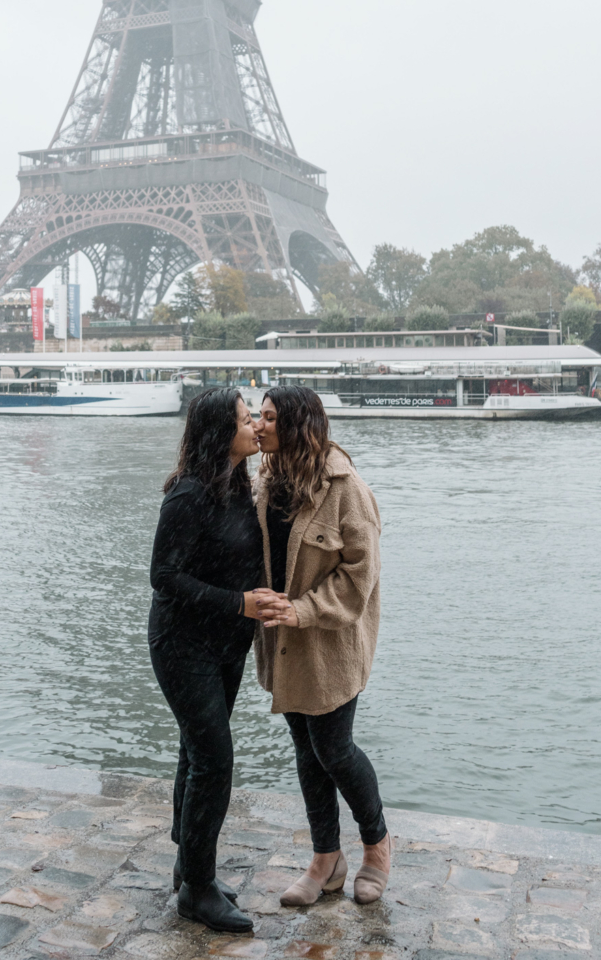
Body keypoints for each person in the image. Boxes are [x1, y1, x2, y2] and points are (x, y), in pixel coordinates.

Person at [252, 385, 390, 906]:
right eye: (258, 416)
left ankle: (377, 847)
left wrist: (302, 610)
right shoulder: (268, 479)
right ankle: (325, 860)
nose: (259, 425)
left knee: (334, 748)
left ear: (294, 425)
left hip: (331, 646)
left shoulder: (347, 489)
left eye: (267, 417)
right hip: (283, 646)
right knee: (306, 750)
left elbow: (361, 576)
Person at [148, 388, 272, 933]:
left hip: (227, 644)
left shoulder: (240, 484)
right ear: (222, 433)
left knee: (196, 752)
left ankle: (188, 865)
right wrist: (240, 603)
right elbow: (164, 577)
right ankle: (197, 890)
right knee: (214, 759)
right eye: (247, 420)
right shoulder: (189, 495)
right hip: (182, 644)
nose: (255, 429)